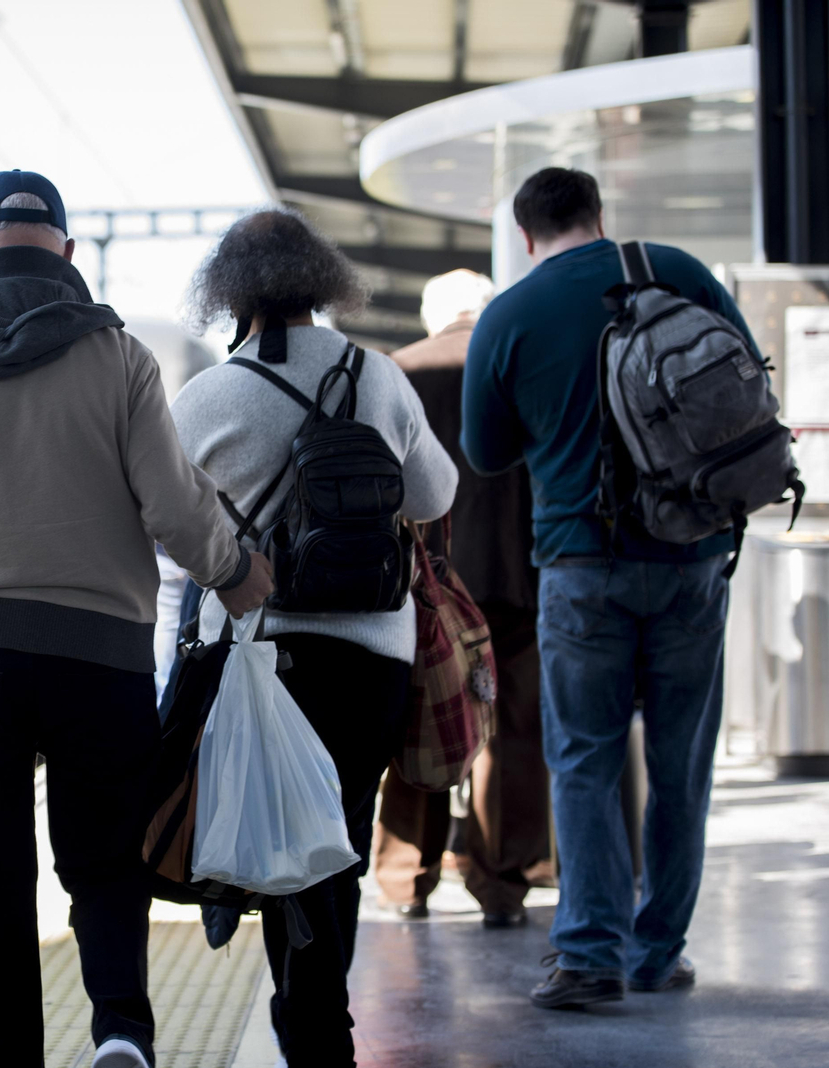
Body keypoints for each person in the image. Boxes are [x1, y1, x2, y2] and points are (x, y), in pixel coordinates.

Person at [0, 169, 274, 1068]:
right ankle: (120, 1033)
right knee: (105, 866)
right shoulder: (119, 357)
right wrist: (236, 571)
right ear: (68, 254)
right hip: (99, 660)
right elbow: (173, 504)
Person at [462, 167, 755, 1009]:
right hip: (693, 555)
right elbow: (743, 390)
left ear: (525, 236)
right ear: (599, 216)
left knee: (584, 758)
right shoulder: (677, 271)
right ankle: (658, 952)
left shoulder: (509, 314)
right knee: (680, 763)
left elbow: (486, 452)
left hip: (580, 562)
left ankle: (591, 953)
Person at [170, 208, 457, 1068]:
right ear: (321, 279)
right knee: (337, 837)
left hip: (260, 654)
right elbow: (435, 494)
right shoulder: (379, 375)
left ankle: (311, 1019)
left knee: (269, 829)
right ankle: (316, 1018)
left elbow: (167, 529)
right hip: (372, 652)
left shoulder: (207, 395)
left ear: (229, 294)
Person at [372, 269, 551, 929]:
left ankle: (402, 879)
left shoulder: (398, 371)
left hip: (427, 584)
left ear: (431, 315)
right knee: (515, 730)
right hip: (517, 578)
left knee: (423, 716)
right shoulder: (520, 364)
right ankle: (503, 883)